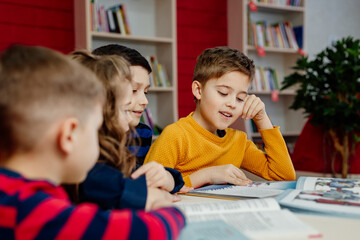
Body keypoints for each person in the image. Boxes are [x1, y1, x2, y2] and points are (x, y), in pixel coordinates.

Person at [0, 45, 185, 239]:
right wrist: (168, 210)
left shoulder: (19, 194)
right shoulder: (38, 213)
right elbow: (151, 231)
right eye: (96, 128)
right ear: (68, 136)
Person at [144, 46, 296, 188]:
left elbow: (284, 176)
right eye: (223, 93)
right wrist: (205, 176)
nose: (232, 104)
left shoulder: (238, 141)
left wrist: (262, 119)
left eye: (240, 98)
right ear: (198, 90)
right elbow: (148, 188)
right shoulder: (176, 136)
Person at [70, 50, 184, 211]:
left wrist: (168, 178)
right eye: (124, 110)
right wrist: (150, 197)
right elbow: (106, 185)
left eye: (145, 92)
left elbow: (132, 175)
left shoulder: (114, 152)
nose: (129, 121)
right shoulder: (85, 167)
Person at [92, 44, 154, 165]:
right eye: (134, 90)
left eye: (146, 91)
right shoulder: (89, 136)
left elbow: (137, 175)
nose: (145, 101)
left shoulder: (143, 133)